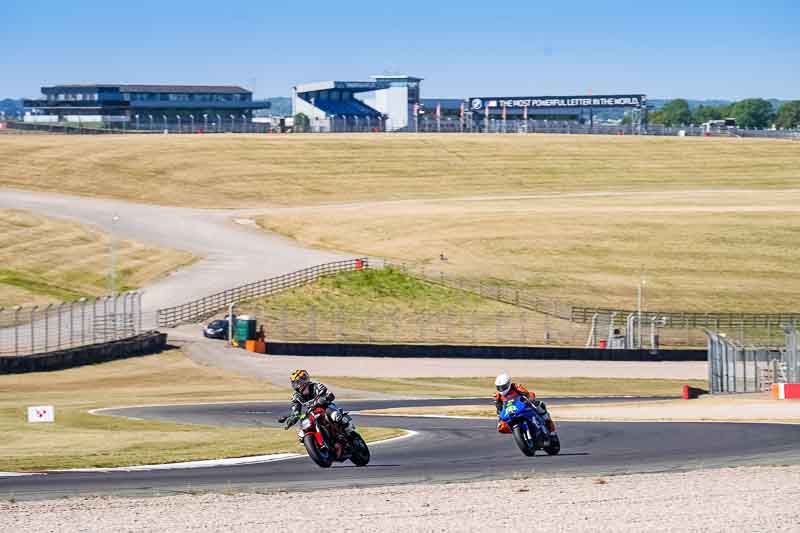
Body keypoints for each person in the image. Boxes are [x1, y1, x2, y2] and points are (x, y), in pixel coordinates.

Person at [279, 369, 354, 435]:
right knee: (302, 433)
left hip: (326, 407)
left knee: (335, 416)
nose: (296, 385)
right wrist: (292, 419)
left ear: (305, 380)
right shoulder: (296, 397)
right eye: (294, 383)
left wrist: (324, 399)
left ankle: (348, 431)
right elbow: (296, 411)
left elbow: (330, 395)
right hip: (312, 413)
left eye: (298, 382)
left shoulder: (317, 386)